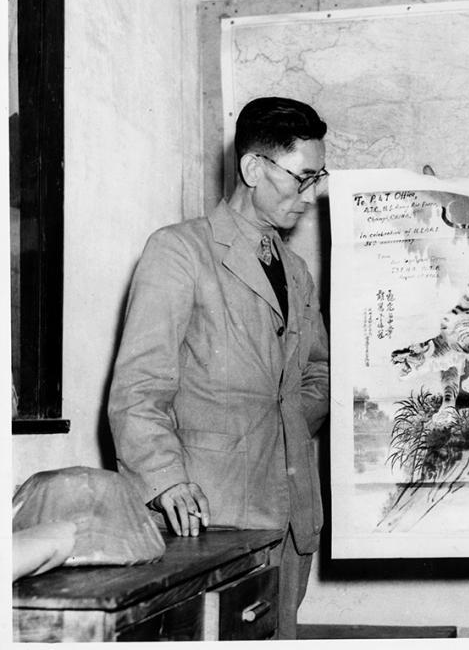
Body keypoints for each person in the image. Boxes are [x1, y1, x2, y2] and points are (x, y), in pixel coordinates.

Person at [109, 97, 330, 639]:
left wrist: (280, 432)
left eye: (318, 177)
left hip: (289, 516)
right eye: (303, 177)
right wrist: (167, 480)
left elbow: (317, 378)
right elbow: (137, 390)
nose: (311, 193)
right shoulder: (179, 251)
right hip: (209, 520)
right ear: (254, 169)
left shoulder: (296, 271)